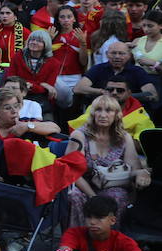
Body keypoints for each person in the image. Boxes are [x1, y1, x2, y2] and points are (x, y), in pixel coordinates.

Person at [64, 95, 151, 227]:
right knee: (74, 196)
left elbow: (134, 168)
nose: (102, 115)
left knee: (118, 196)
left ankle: (109, 242)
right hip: (82, 184)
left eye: (108, 110)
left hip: (111, 185)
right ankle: (76, 241)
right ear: (92, 113)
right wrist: (93, 197)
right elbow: (71, 171)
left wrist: (142, 173)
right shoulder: (79, 135)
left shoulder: (124, 138)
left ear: (117, 115)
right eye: (98, 110)